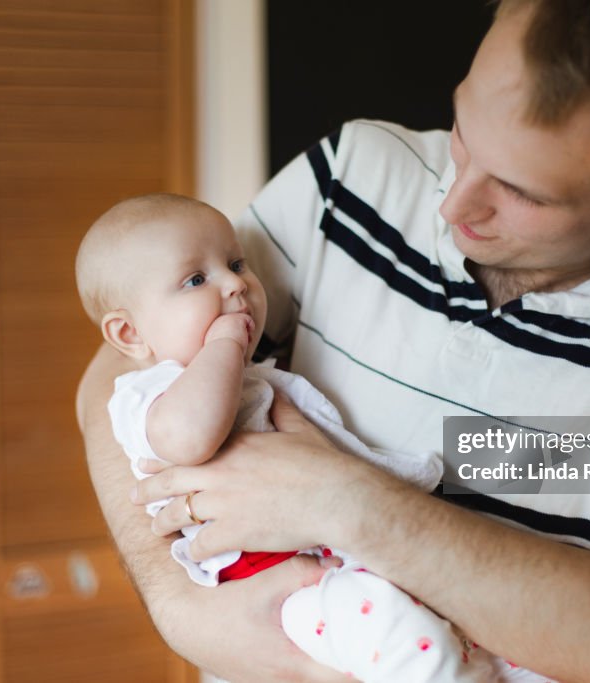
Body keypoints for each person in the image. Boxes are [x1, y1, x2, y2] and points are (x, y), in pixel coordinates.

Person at [76, 1, 590, 681]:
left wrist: (349, 501)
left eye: (521, 192)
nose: (452, 202)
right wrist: (179, 608)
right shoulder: (350, 176)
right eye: (463, 131)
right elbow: (120, 370)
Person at [75, 193, 517, 682]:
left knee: (463, 643)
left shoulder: (251, 379)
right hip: (280, 583)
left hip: (343, 560)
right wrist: (223, 345)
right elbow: (186, 440)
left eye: (236, 262)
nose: (235, 284)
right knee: (406, 644)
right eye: (196, 280)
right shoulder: (149, 391)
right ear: (130, 335)